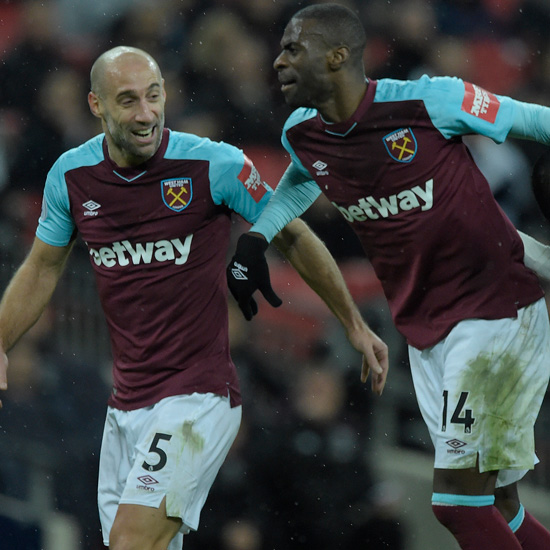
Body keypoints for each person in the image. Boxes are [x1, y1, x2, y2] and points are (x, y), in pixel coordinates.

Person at [0, 46, 388, 550]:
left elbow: (293, 235)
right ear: (96, 106)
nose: (145, 113)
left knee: (131, 542)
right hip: (126, 406)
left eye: (153, 96)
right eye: (128, 100)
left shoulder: (213, 165)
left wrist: (352, 323)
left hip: (196, 398)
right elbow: (42, 267)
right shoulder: (70, 177)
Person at [226, 4, 550, 549]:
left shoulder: (428, 100)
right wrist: (260, 235)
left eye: (291, 48)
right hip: (426, 331)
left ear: (335, 57)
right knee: (499, 505)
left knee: (455, 501)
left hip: (496, 311)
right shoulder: (304, 133)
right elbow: (303, 181)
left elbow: (535, 121)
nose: (277, 60)